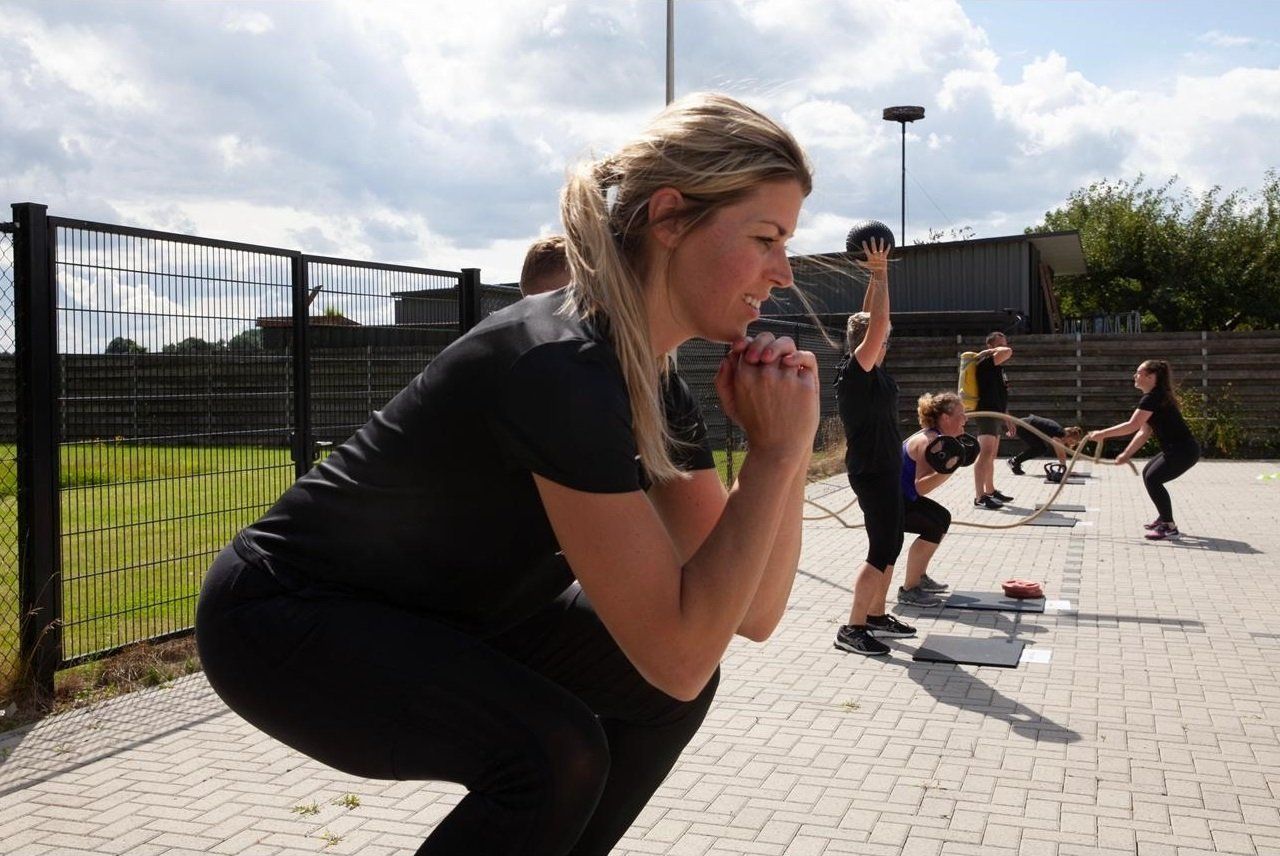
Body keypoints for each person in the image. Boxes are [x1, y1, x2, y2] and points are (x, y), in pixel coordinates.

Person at [195, 92, 819, 855]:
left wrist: (785, 451)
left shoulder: (650, 381)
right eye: (766, 238)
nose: (783, 273)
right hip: (285, 618)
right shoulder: (560, 367)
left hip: (446, 615)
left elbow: (750, 615)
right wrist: (773, 457)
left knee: (651, 697)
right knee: (551, 755)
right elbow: (680, 650)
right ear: (670, 218)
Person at [832, 240, 916, 658]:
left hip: (886, 466)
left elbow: (874, 319)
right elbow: (877, 324)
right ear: (870, 341)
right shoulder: (855, 373)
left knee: (892, 543)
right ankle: (853, 627)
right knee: (879, 549)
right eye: (882, 337)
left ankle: (877, 615)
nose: (887, 339)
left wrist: (872, 277)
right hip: (871, 471)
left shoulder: (873, 370)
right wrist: (882, 271)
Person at [1087, 359, 1199, 540]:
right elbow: (1144, 431)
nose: (1135, 376)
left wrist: (1102, 434)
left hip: (1183, 451)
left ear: (1150, 377)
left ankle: (1169, 527)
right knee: (1148, 473)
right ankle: (1163, 517)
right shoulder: (1156, 397)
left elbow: (1132, 425)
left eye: (1139, 372)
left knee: (1154, 479)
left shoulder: (1153, 398)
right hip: (1179, 450)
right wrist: (1126, 454)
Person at [895, 392, 967, 607]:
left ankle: (920, 576)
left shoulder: (935, 436)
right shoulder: (930, 441)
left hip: (903, 496)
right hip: (889, 502)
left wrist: (949, 467)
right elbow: (921, 486)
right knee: (933, 525)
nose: (965, 419)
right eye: (961, 415)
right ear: (945, 418)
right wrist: (948, 470)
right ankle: (909, 589)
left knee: (941, 517)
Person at [972, 331, 1015, 509]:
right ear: (990, 347)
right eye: (1000, 344)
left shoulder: (998, 368)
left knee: (992, 455)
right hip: (986, 413)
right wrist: (989, 352)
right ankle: (979, 497)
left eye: (1005, 343)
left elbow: (1001, 395)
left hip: (997, 414)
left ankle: (990, 491)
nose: (1004, 347)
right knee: (985, 454)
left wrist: (1008, 418)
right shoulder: (985, 363)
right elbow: (1008, 351)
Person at [1007, 415, 1083, 475]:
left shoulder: (1059, 431)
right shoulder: (1060, 433)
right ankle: (1014, 461)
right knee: (1040, 449)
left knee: (1041, 448)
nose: (1070, 444)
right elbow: (1061, 454)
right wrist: (1065, 471)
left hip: (1025, 424)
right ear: (1069, 436)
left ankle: (1015, 461)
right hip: (1024, 426)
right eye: (1072, 442)